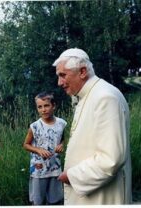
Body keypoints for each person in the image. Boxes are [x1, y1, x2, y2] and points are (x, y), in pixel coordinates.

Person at [53, 48, 132, 205]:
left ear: (82, 72)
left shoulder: (105, 97)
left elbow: (111, 159)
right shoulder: (91, 94)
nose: (59, 83)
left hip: (102, 198)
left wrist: (71, 176)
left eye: (63, 75)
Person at [23, 92, 67, 205]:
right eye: (40, 107)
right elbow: (26, 145)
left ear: (54, 106)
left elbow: (62, 139)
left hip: (55, 168)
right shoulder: (34, 126)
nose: (43, 110)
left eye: (46, 105)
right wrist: (38, 150)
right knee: (38, 201)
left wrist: (61, 145)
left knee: (55, 201)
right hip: (38, 170)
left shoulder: (62, 124)